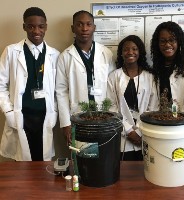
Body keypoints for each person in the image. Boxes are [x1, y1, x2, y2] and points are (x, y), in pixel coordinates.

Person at [0, 7, 60, 161]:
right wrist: (8, 111)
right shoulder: (11, 51)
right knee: (22, 164)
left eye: (40, 26)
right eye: (31, 26)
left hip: (44, 115)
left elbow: (58, 89)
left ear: (46, 26)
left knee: (43, 162)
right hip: (21, 115)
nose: (36, 31)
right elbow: (0, 85)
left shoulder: (54, 55)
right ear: (24, 27)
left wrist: (54, 111)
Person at [56, 10, 115, 145]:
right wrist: (65, 123)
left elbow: (112, 87)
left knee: (104, 156)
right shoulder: (65, 57)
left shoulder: (106, 53)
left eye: (88, 24)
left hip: (104, 116)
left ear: (94, 27)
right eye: (79, 24)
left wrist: (112, 115)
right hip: (78, 117)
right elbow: (61, 92)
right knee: (82, 157)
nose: (84, 28)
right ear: (73, 28)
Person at [107, 35, 159, 161]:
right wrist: (129, 130)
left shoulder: (150, 77)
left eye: (134, 49)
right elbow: (111, 107)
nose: (130, 52)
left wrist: (140, 131)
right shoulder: (114, 76)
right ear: (121, 53)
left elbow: (153, 107)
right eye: (126, 49)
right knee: (124, 173)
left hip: (145, 134)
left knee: (146, 170)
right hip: (122, 135)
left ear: (140, 52)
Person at [150, 21, 184, 143]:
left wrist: (181, 123)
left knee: (179, 158)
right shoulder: (157, 66)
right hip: (162, 125)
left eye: (172, 40)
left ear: (179, 41)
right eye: (162, 41)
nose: (167, 44)